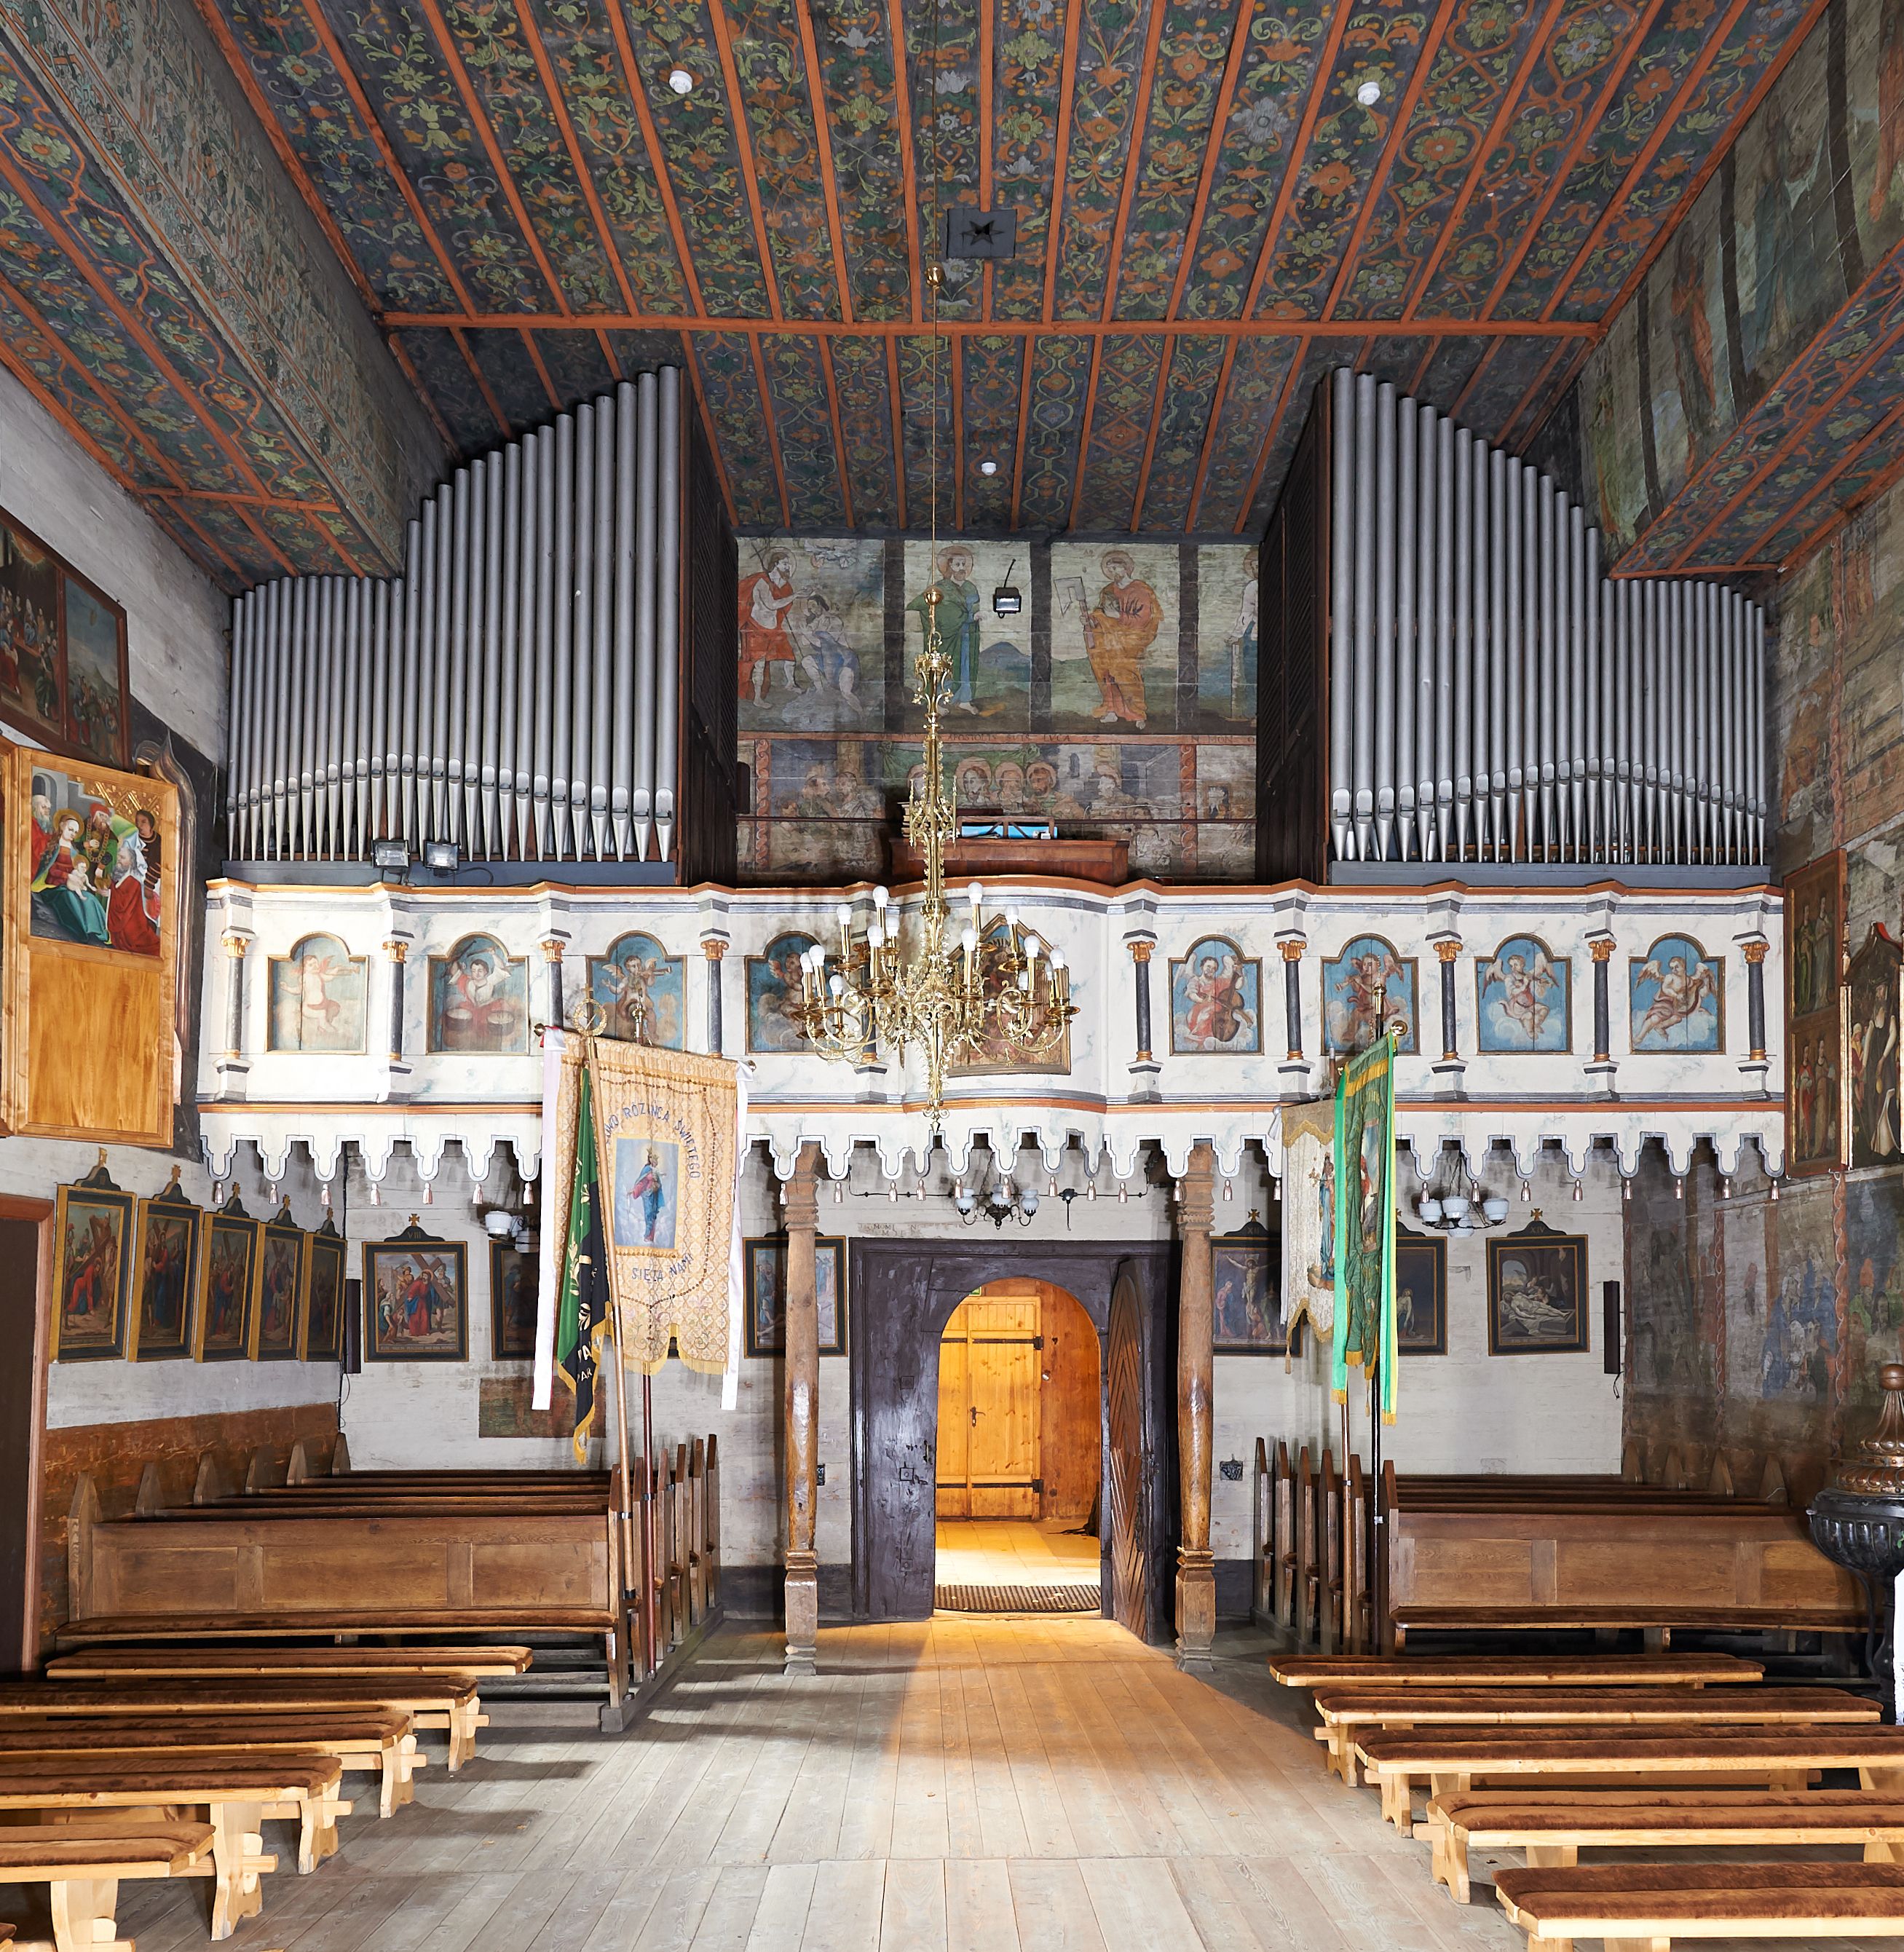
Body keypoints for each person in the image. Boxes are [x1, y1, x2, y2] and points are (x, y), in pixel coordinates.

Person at [1083, 550, 1161, 727]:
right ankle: (1112, 710)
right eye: (1110, 569)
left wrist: (1119, 616)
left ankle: (1137, 713)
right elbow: (1101, 614)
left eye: (1116, 568)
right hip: (1109, 639)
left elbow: (1144, 619)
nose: (1114, 573)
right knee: (1106, 671)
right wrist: (1090, 620)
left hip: (1131, 639)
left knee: (1126, 674)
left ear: (1126, 568)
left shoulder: (1140, 590)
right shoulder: (1108, 591)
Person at [738, 550, 799, 703]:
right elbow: (771, 605)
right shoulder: (762, 581)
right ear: (776, 564)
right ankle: (758, 699)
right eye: (785, 564)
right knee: (759, 664)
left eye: (789, 564)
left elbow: (782, 606)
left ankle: (791, 684)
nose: (788, 567)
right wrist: (795, 596)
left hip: (774, 629)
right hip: (757, 629)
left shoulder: (782, 585)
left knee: (789, 656)